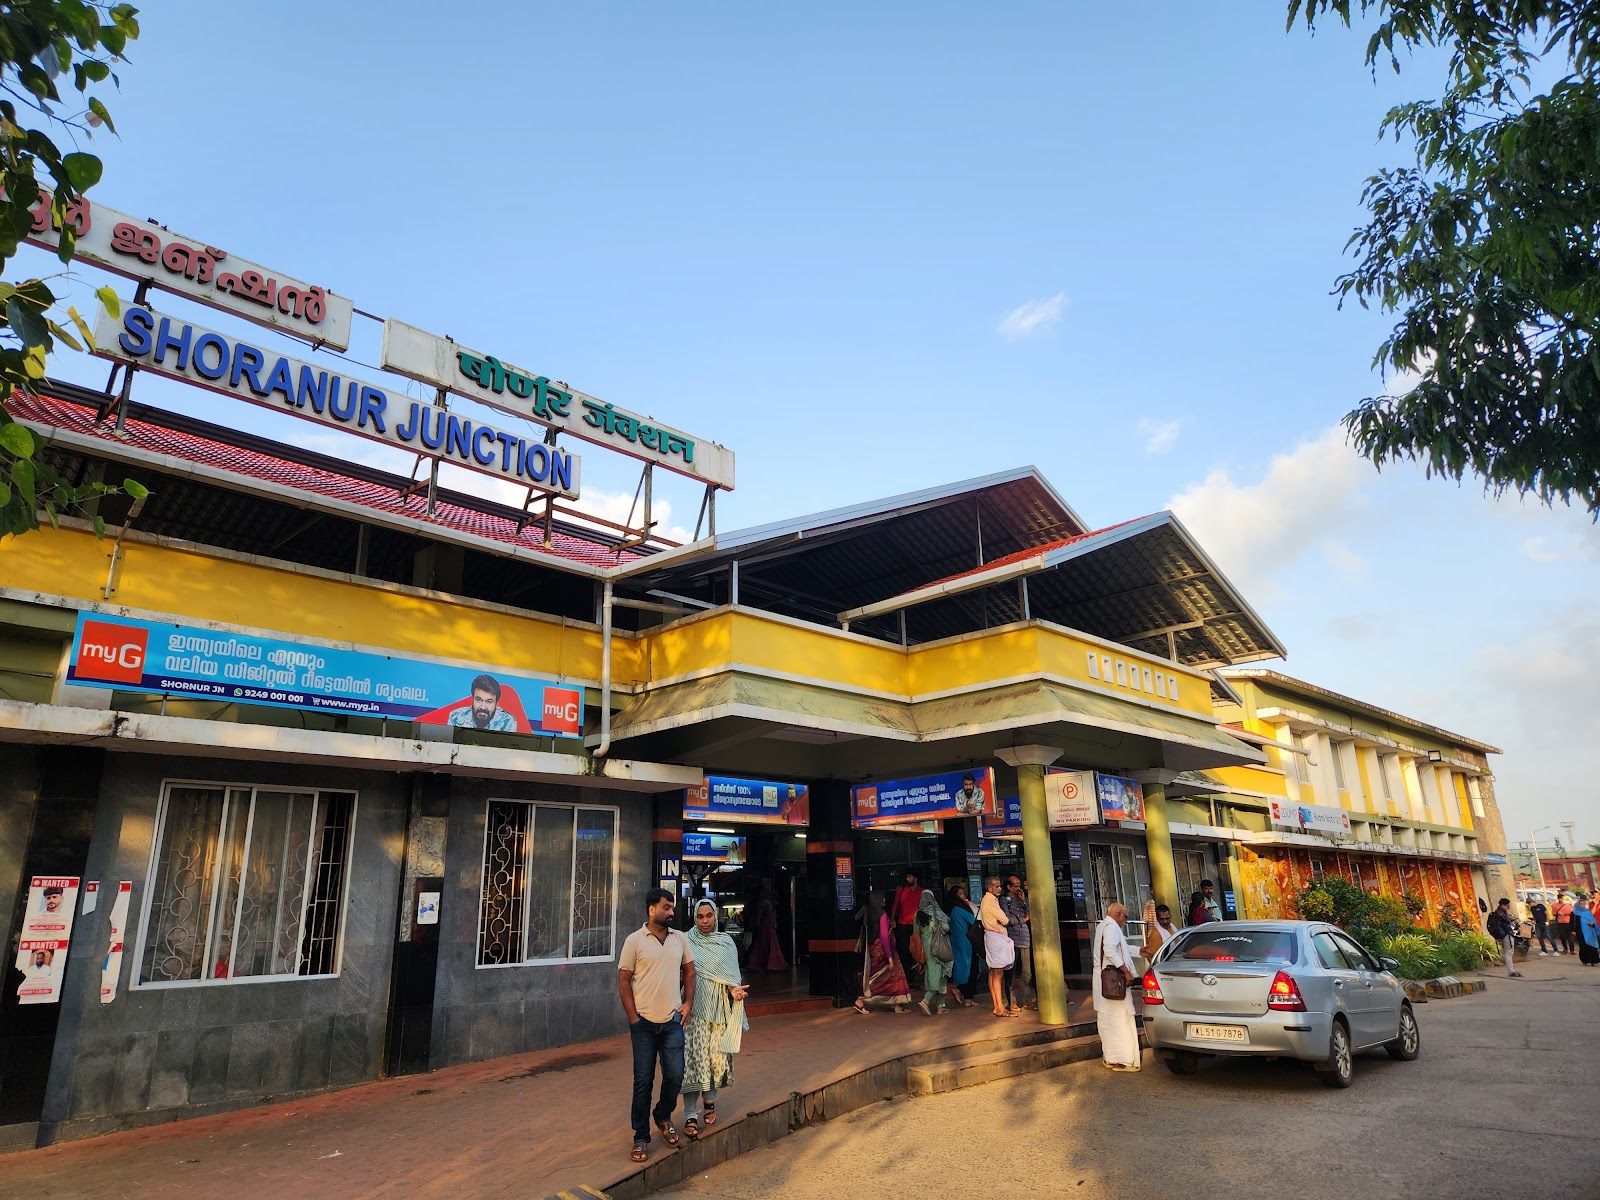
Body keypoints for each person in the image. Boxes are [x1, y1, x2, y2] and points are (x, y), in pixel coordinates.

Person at [619, 887, 696, 1163]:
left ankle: (662, 1114)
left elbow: (690, 971)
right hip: (643, 1025)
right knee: (643, 1081)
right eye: (666, 907)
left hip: (672, 1021)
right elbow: (624, 979)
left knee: (675, 1075)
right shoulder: (634, 941)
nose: (671, 912)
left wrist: (687, 1003)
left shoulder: (680, 939)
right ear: (651, 909)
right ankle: (641, 1135)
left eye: (672, 907)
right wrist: (633, 1018)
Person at [681, 900, 749, 1139]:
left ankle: (710, 1102)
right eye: (700, 916)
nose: (705, 921)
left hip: (719, 1012)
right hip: (694, 1012)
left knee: (714, 1061)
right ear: (695, 918)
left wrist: (735, 992)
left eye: (709, 915)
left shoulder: (725, 942)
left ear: (716, 916)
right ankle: (690, 1113)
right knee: (692, 1063)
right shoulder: (686, 941)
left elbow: (731, 977)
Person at [1093, 902, 1141, 1071]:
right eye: (1126, 917)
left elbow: (1122, 948)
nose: (1126, 921)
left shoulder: (1104, 925)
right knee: (1120, 1019)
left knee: (1108, 1019)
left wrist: (1140, 951)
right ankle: (1123, 1059)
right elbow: (1110, 951)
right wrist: (1126, 971)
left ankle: (1111, 1057)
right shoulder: (1112, 927)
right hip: (1113, 980)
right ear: (1119, 914)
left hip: (1104, 979)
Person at [853, 892, 911, 1013]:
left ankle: (896, 1004)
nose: (884, 899)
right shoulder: (882, 915)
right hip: (884, 951)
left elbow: (856, 918)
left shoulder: (869, 912)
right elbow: (884, 937)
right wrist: (889, 957)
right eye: (882, 897)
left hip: (872, 949)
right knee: (891, 975)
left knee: (876, 975)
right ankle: (861, 1000)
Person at [979, 875, 1015, 1018]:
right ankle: (999, 1007)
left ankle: (997, 1006)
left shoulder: (987, 900)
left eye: (999, 886)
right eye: (997, 886)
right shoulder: (990, 901)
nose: (999, 888)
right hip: (996, 937)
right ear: (989, 888)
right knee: (998, 973)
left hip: (991, 936)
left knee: (993, 972)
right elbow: (1005, 920)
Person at [914, 889, 952, 1015]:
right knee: (939, 972)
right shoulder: (936, 911)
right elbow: (946, 927)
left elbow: (916, 932)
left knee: (933, 972)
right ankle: (926, 1000)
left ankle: (941, 1005)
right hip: (938, 946)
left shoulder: (918, 913)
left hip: (925, 947)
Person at [1002, 875, 1035, 1011]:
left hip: (1025, 939)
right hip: (1012, 940)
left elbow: (1030, 914)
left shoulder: (1023, 900)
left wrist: (1023, 902)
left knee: (1027, 973)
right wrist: (1022, 919)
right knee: (1011, 972)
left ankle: (1028, 1000)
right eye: (1015, 886)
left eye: (1019, 885)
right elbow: (1006, 918)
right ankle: (1012, 1002)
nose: (1018, 888)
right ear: (1009, 887)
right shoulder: (1005, 900)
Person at [945, 885, 980, 1006]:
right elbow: (974, 920)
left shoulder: (951, 910)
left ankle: (968, 999)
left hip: (956, 941)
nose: (963, 896)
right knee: (972, 969)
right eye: (960, 894)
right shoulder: (961, 910)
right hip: (967, 941)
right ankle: (960, 990)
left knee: (965, 968)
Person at [446, 673, 517, 731]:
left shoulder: (507, 721)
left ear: (496, 703)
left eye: (489, 701)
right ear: (472, 699)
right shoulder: (455, 717)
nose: (483, 707)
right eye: (479, 700)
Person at [745, 884, 788, 973]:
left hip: (764, 926)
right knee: (771, 944)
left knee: (762, 944)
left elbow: (760, 916)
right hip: (769, 927)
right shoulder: (770, 903)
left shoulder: (763, 903)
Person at [892, 870, 922, 982]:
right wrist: (892, 920)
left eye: (909, 877)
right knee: (904, 952)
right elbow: (895, 905)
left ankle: (914, 978)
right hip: (903, 925)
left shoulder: (922, 892)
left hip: (916, 926)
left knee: (917, 952)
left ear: (915, 878)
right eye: (906, 877)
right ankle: (907, 979)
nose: (907, 879)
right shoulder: (902, 890)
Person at [1487, 898, 1523, 978]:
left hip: (1502, 933)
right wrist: (1509, 915)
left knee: (1508, 952)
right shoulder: (1500, 912)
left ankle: (1511, 970)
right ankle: (1511, 970)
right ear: (1503, 905)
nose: (1508, 907)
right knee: (1509, 952)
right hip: (1506, 933)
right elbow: (1507, 920)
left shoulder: (1498, 912)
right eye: (1507, 905)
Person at [1575, 900, 1600, 967]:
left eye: (1583, 904)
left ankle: (1594, 961)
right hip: (1580, 932)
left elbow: (1594, 922)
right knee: (1583, 946)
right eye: (1581, 904)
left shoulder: (1587, 912)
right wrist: (1573, 931)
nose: (1582, 905)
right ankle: (1585, 960)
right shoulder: (1574, 913)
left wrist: (1592, 924)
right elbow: (1572, 923)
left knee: (1592, 946)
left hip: (1589, 932)